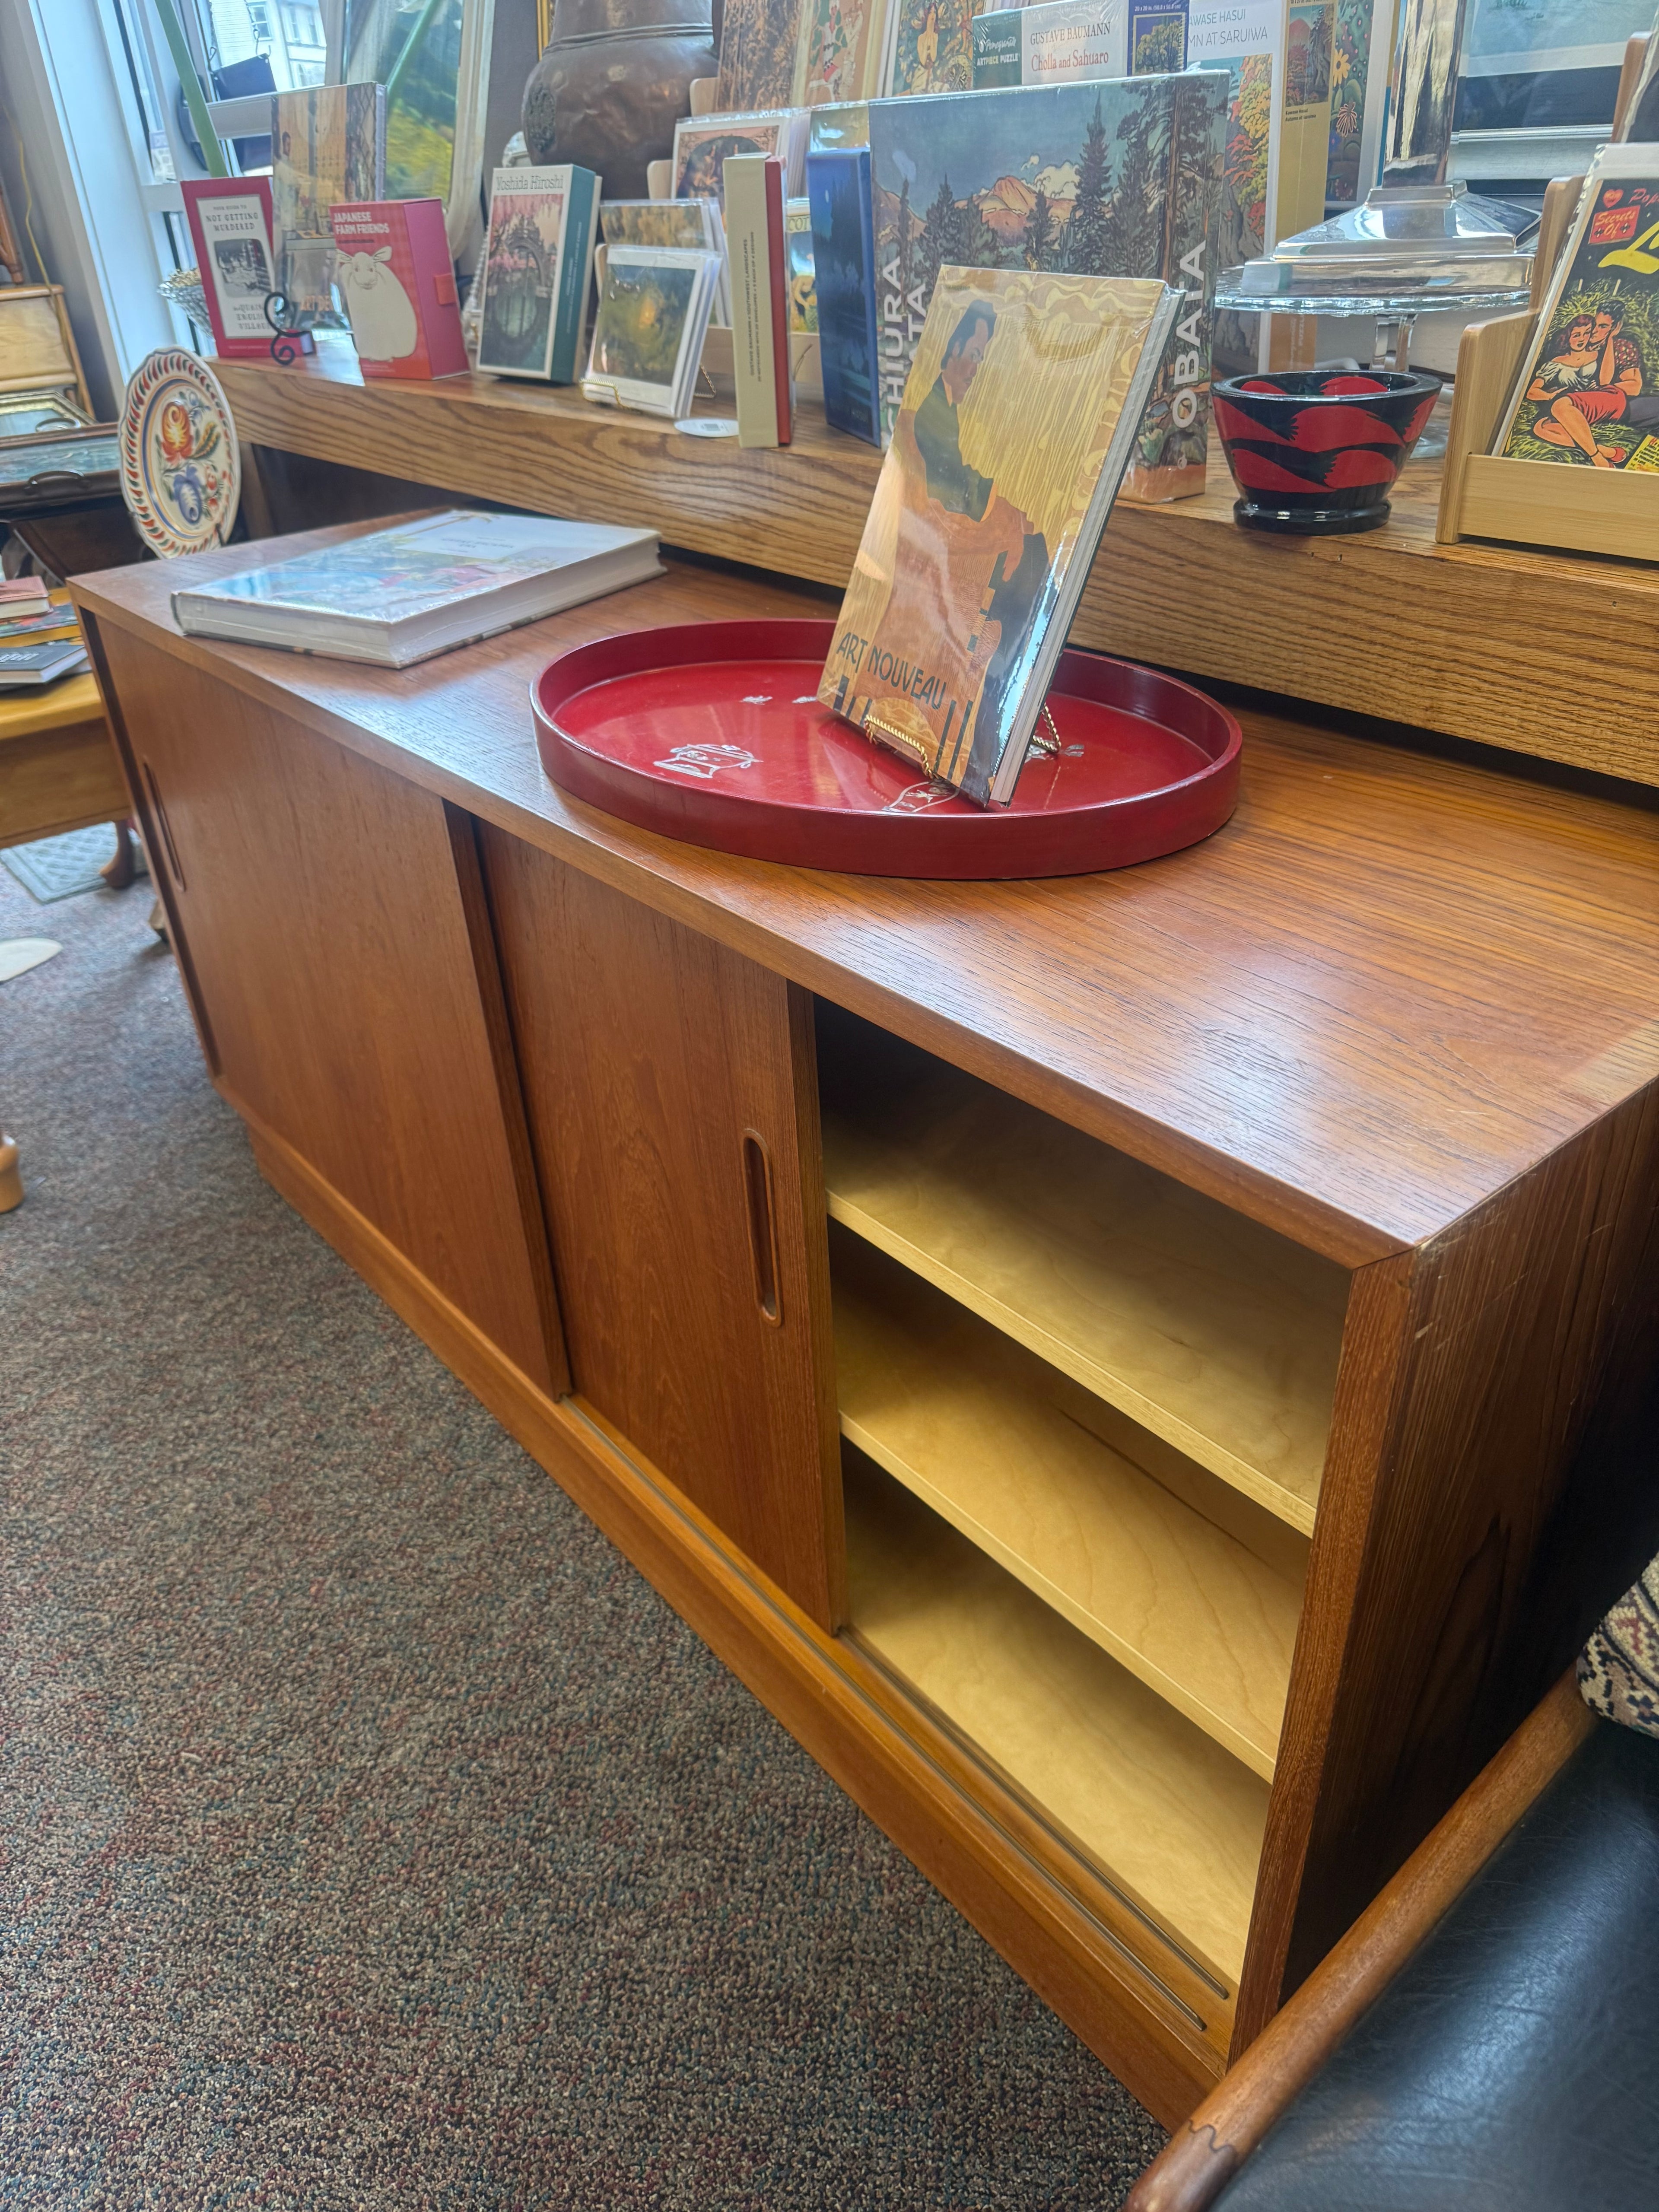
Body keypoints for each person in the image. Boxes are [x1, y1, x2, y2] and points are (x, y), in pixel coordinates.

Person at [911, 301, 1050, 790]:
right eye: (973, 353)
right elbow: (951, 489)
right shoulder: (932, 412)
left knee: (1031, 545)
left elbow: (962, 480)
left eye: (982, 357)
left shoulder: (947, 407)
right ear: (951, 349)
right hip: (944, 540)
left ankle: (994, 685)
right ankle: (991, 691)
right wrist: (1002, 508)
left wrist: (1005, 508)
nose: (975, 367)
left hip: (952, 530)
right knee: (1032, 557)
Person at [1530, 303, 1644, 465]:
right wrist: (1550, 395)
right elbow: (1533, 390)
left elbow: (1608, 382)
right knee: (1541, 428)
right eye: (1577, 335)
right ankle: (1602, 450)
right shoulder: (1558, 361)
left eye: (1587, 333)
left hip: (1606, 398)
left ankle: (1597, 459)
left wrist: (1610, 339)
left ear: (1614, 328)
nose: (1587, 337)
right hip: (1579, 406)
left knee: (1560, 406)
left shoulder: (1602, 351)